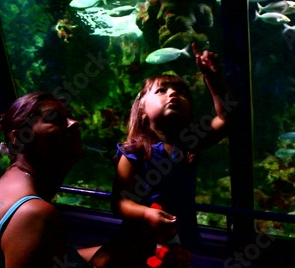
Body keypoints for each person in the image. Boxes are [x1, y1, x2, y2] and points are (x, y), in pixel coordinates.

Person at [89, 44, 232, 267]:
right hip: (139, 239)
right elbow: (119, 202)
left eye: (181, 93)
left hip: (183, 237)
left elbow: (226, 119)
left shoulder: (189, 144)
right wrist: (146, 214)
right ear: (142, 109)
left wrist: (212, 78)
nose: (173, 93)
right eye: (161, 91)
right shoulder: (133, 153)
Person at [0, 92, 98, 268]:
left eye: (71, 117)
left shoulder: (3, 192)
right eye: (55, 119)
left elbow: (51, 257)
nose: (74, 123)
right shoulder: (33, 214)